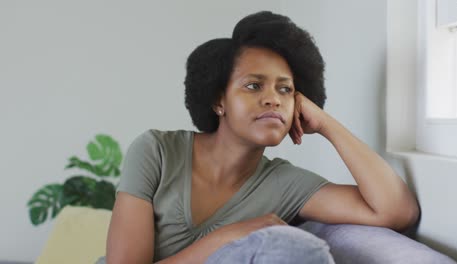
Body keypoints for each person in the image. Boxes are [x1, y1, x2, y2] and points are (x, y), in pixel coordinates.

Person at [100, 11, 420, 264]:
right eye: (254, 85)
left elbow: (396, 211)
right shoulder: (156, 151)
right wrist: (226, 237)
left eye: (285, 89)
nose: (274, 99)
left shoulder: (284, 184)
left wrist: (325, 124)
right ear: (218, 100)